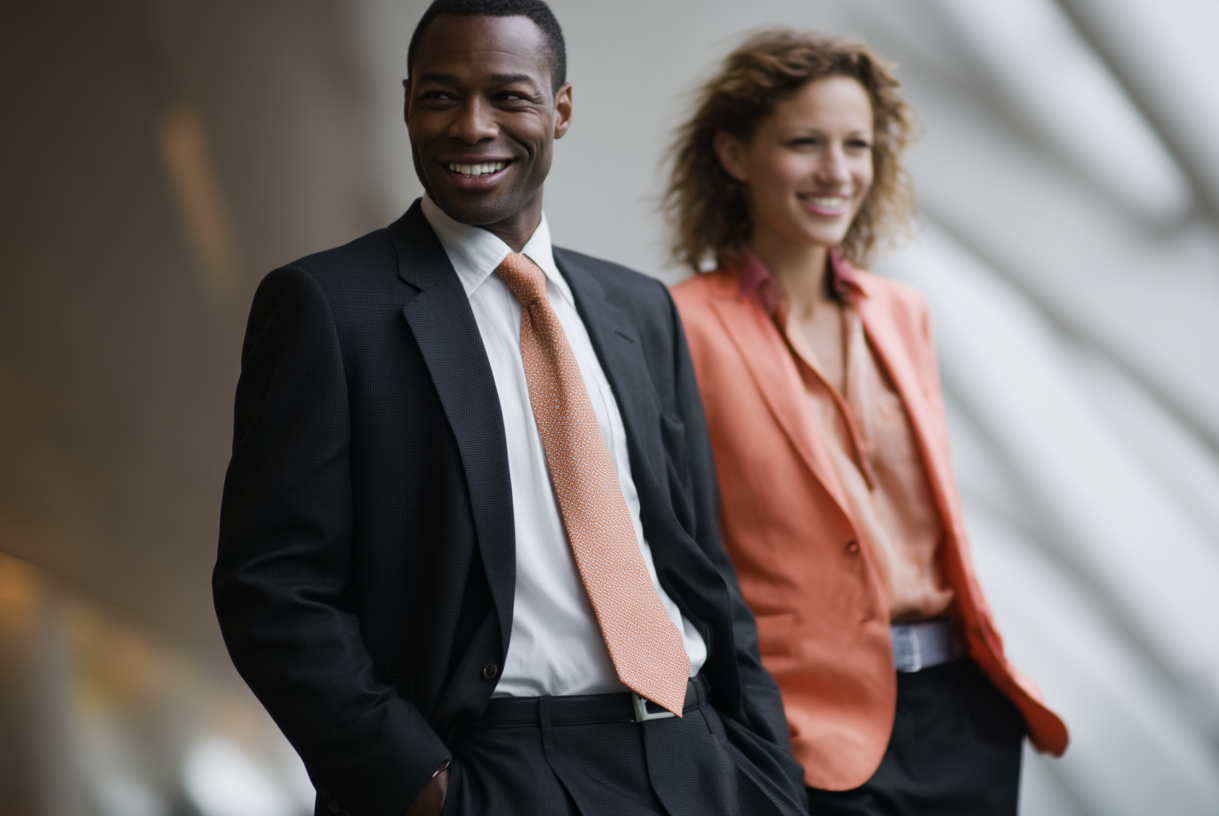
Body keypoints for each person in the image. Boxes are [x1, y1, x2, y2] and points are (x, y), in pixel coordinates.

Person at [213, 3, 806, 815]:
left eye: (509, 96)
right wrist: (421, 786)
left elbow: (701, 558)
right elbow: (271, 588)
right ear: (407, 102)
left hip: (694, 755)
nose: (472, 126)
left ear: (560, 108)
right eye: (440, 96)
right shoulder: (327, 307)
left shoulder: (639, 310)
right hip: (493, 767)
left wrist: (763, 768)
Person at [666, 30, 1069, 816]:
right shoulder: (679, 328)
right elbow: (679, 552)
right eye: (804, 142)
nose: (837, 171)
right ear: (735, 154)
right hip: (812, 735)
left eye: (857, 144)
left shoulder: (902, 312)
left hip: (966, 712)